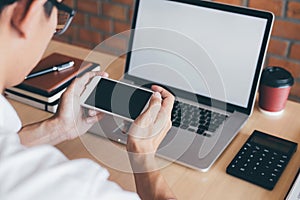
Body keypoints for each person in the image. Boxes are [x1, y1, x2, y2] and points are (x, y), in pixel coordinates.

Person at [0, 0, 176, 199]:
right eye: (59, 13)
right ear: (27, 13)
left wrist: (59, 128)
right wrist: (143, 155)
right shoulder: (74, 189)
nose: (53, 31)